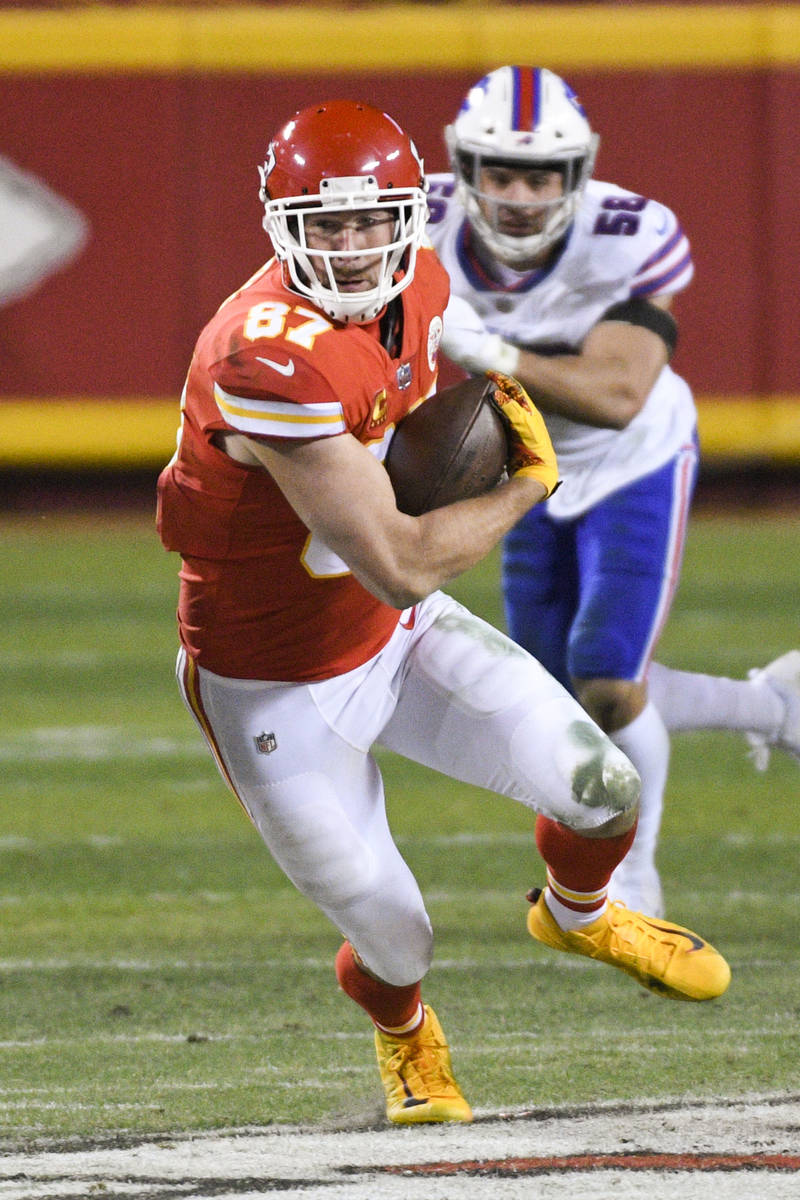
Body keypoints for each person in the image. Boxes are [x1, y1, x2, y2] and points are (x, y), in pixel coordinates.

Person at [157, 99, 730, 1127]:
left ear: (402, 215)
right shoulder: (264, 354)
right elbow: (403, 565)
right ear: (276, 222)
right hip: (274, 679)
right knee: (393, 932)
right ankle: (403, 1029)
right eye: (321, 225)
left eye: (368, 220)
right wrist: (520, 486)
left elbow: (436, 390)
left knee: (602, 787)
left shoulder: (421, 278)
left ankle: (578, 914)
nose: (348, 246)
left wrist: (479, 414)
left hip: (389, 640)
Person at [427, 66, 800, 917]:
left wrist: (488, 352)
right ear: (463, 169)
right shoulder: (419, 224)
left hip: (634, 455)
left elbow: (618, 393)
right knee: (565, 694)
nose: (519, 195)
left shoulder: (629, 234)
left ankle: (633, 875)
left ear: (577, 174)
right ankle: (775, 708)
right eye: (499, 172)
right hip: (528, 457)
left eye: (540, 175)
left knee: (601, 675)